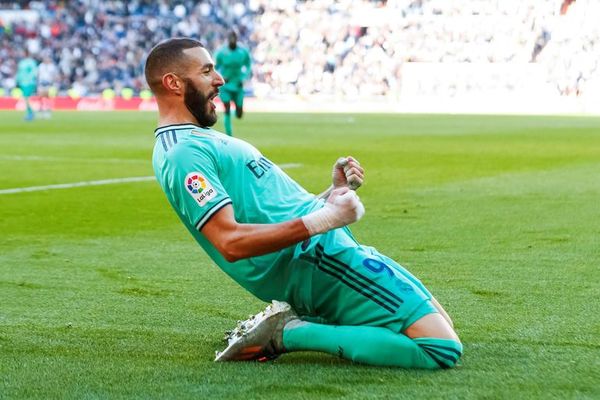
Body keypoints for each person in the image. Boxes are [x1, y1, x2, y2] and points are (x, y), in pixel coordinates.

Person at [145, 38, 462, 369]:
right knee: (439, 347)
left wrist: (330, 195)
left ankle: (295, 324)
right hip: (316, 261)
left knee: (442, 322)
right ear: (173, 83)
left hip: (324, 250)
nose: (220, 79)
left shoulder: (196, 140)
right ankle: (288, 333)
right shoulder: (182, 153)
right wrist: (325, 220)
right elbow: (230, 241)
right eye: (207, 70)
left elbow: (269, 207)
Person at [214, 30, 252, 136]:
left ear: (236, 39)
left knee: (239, 114)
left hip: (238, 85)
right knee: (226, 107)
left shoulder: (243, 51)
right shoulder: (221, 52)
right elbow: (214, 67)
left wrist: (244, 77)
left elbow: (248, 64)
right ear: (227, 40)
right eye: (230, 38)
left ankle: (237, 111)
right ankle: (229, 134)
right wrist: (221, 77)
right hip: (226, 85)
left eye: (234, 39)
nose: (232, 41)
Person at [16, 50, 38, 121]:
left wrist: (29, 79)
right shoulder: (22, 62)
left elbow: (34, 72)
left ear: (27, 54)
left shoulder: (31, 62)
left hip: (29, 83)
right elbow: (19, 72)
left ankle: (30, 113)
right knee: (26, 98)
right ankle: (30, 112)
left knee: (27, 98)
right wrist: (18, 81)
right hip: (22, 83)